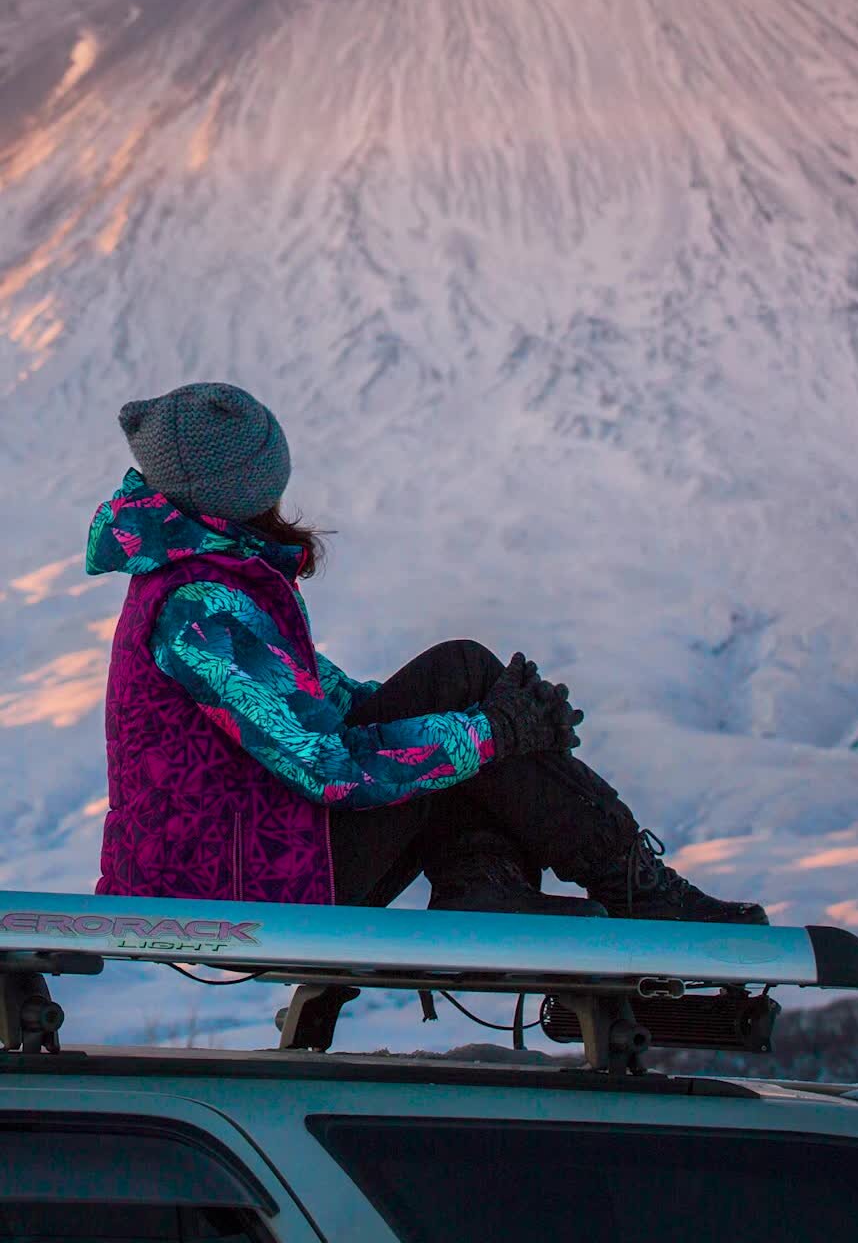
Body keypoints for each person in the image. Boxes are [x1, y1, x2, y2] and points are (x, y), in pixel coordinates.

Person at [88, 381, 769, 925]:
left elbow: (328, 705)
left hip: (249, 867)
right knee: (462, 684)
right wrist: (491, 730)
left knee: (461, 695)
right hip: (229, 887)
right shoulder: (198, 606)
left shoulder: (211, 578)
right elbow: (330, 767)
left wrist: (491, 724)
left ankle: (492, 886)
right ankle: (634, 889)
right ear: (246, 487)